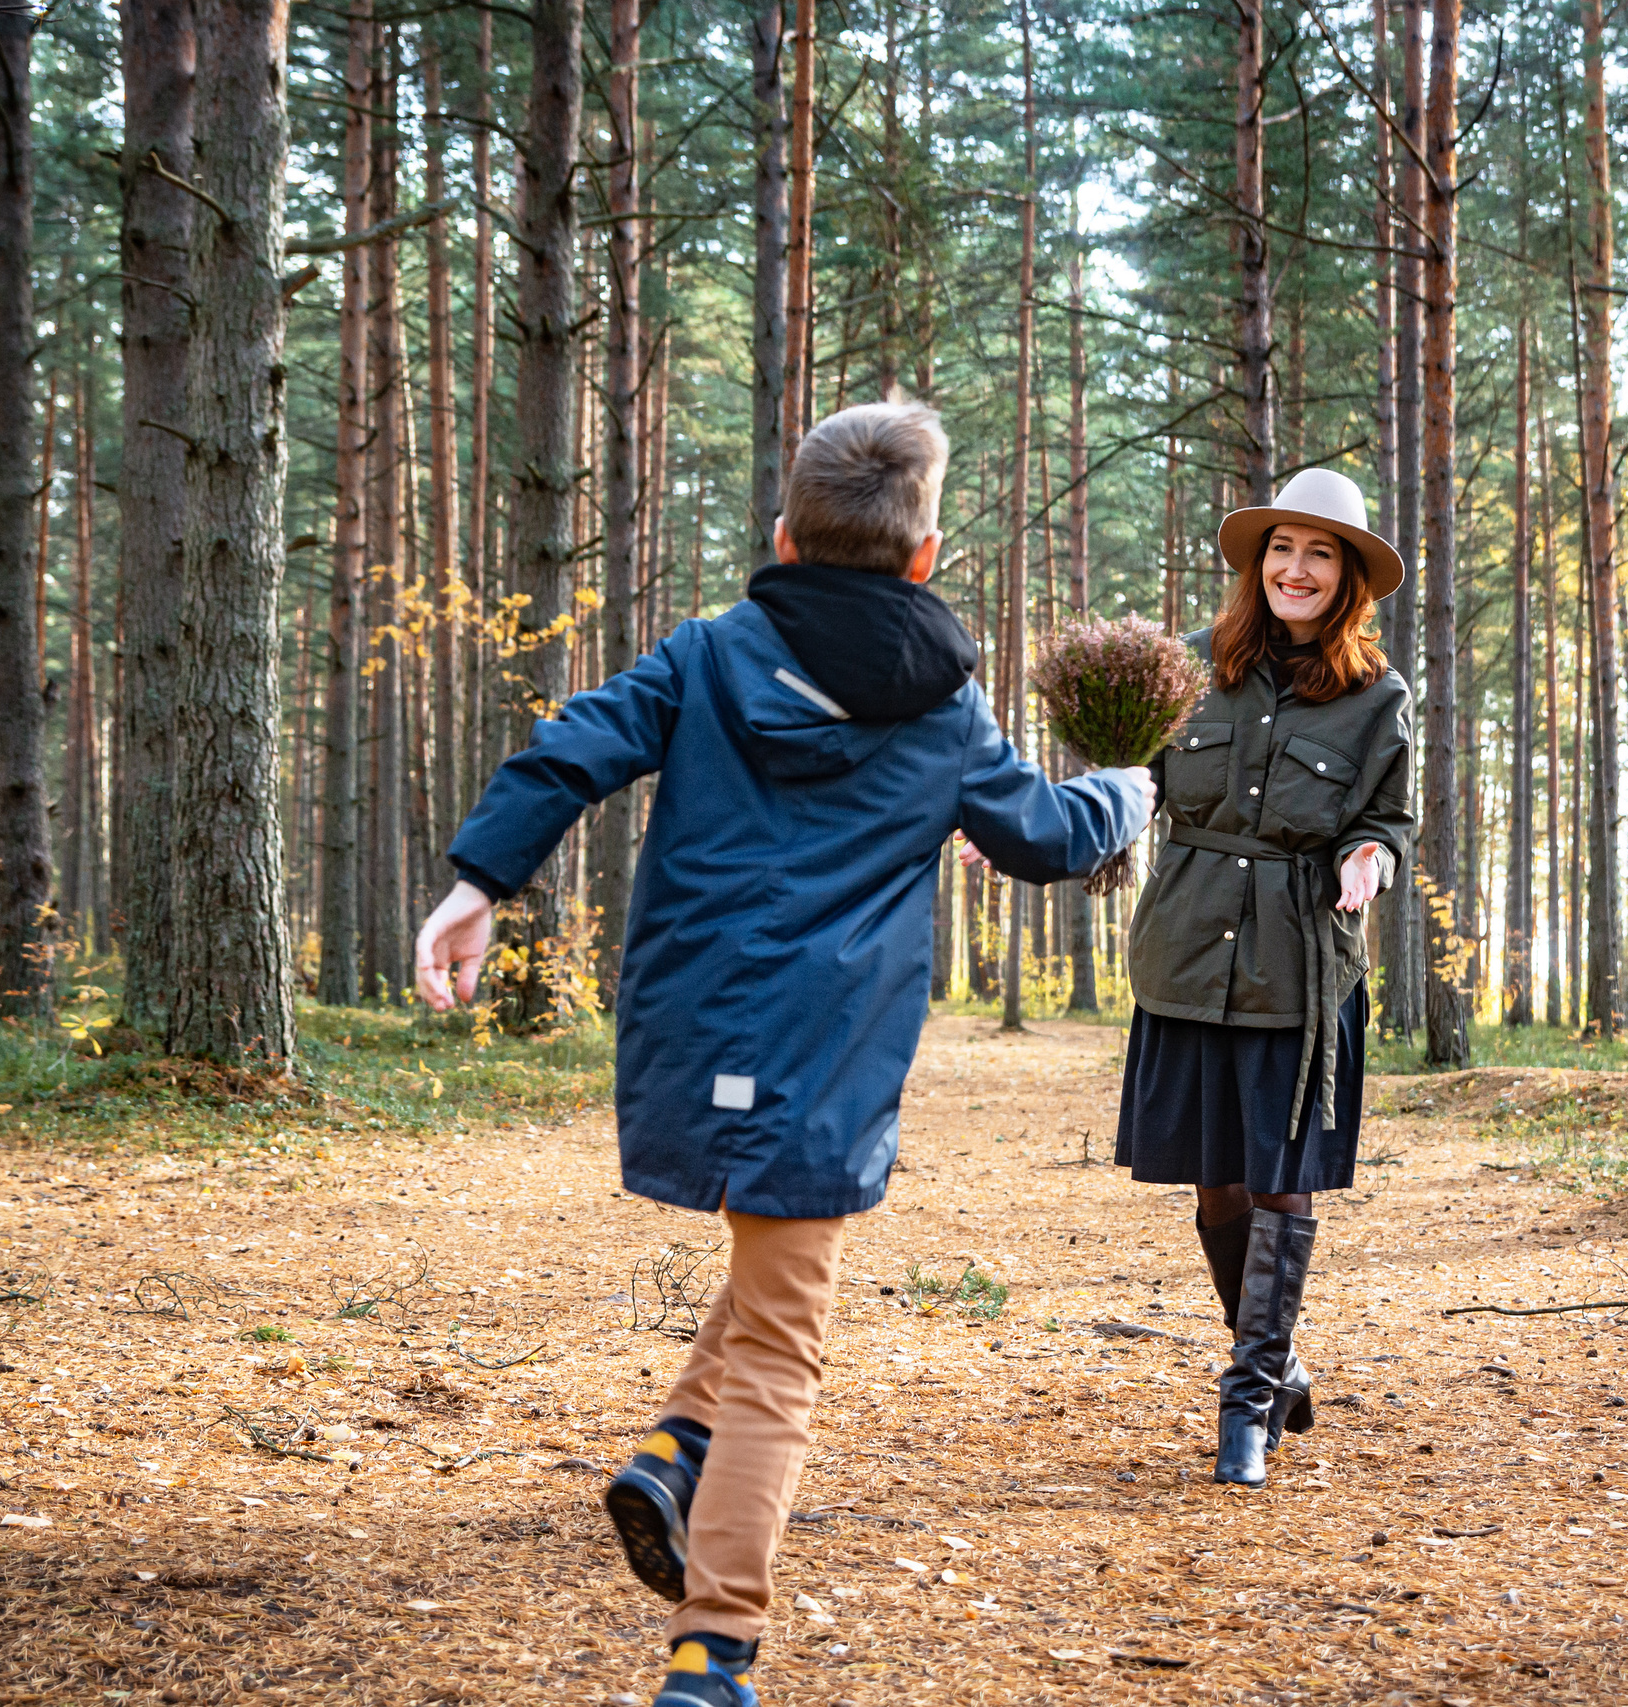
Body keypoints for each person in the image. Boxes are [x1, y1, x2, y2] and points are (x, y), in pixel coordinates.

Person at [413, 401, 1153, 1707]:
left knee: (775, 1256)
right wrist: (1129, 790)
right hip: (826, 1044)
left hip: (694, 1024)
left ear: (782, 536)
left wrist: (479, 880)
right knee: (787, 1338)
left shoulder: (705, 655)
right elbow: (1044, 832)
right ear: (923, 557)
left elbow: (570, 746)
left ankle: (674, 1449)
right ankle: (715, 1648)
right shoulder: (947, 707)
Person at [1116, 464, 1415, 1490]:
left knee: (1283, 1180)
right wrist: (1048, 832)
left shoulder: (1377, 695)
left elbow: (1387, 818)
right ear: (1258, 563)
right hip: (1189, 953)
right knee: (1218, 1184)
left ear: (1348, 578)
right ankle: (1278, 1357)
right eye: (1283, 549)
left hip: (1301, 962)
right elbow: (1126, 785)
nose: (1297, 568)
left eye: (1320, 554)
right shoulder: (1184, 667)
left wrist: (1369, 856)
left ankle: (1244, 1405)